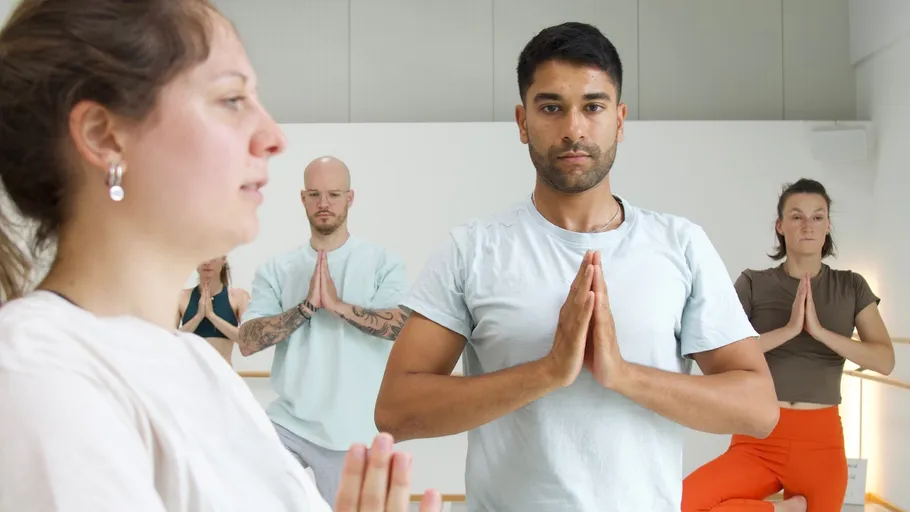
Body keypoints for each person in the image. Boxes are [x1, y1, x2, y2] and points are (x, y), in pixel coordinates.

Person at [0, 1, 439, 510]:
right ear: (104, 135)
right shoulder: (37, 372)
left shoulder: (199, 370)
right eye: (232, 99)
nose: (274, 138)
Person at [374, 21, 780, 512]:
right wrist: (547, 371)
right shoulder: (473, 249)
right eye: (551, 108)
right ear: (523, 122)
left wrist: (623, 374)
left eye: (593, 106)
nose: (574, 129)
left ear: (620, 119)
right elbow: (396, 410)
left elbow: (758, 409)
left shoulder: (681, 244)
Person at [682, 178, 895, 512]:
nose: (807, 225)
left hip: (821, 445)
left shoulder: (851, 286)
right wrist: (789, 330)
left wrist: (821, 332)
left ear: (828, 226)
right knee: (682, 503)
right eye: (796, 217)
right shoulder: (753, 282)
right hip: (758, 437)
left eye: (817, 217)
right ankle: (783, 510)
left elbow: (884, 360)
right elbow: (719, 354)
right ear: (780, 226)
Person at [238, 156, 410, 507]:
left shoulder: (383, 262)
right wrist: (305, 309)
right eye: (314, 195)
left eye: (333, 194)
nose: (324, 203)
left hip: (354, 433)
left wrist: (339, 306)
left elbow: (401, 327)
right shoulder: (276, 268)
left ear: (350, 198)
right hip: (288, 425)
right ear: (303, 199)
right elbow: (247, 340)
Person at [178, 255, 250, 363]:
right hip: (189, 375)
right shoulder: (180, 297)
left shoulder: (239, 297)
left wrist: (212, 316)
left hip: (223, 376)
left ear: (223, 259)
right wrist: (198, 317)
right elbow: (169, 341)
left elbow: (248, 341)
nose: (207, 262)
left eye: (212, 256)